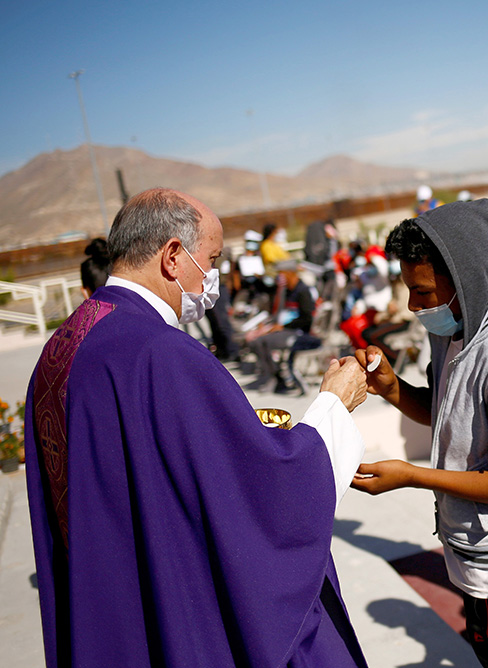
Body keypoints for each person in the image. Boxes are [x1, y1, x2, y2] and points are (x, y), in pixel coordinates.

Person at [24, 188, 370, 667]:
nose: (215, 277)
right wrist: (334, 402)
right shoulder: (160, 353)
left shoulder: (63, 345)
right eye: (212, 259)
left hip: (113, 616)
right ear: (172, 256)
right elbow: (264, 495)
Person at [351, 200, 488, 668]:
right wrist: (392, 388)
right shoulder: (454, 331)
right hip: (478, 561)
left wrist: (413, 476)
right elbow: (448, 411)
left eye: (423, 291)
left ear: (465, 282)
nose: (412, 305)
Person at [247, 259, 320, 394]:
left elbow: (306, 319)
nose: (279, 277)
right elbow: (278, 313)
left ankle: (274, 377)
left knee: (263, 341)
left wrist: (283, 326)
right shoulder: (285, 291)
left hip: (296, 332)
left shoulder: (303, 291)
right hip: (282, 328)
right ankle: (273, 374)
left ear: (290, 273)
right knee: (254, 341)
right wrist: (267, 325)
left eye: (282, 274)